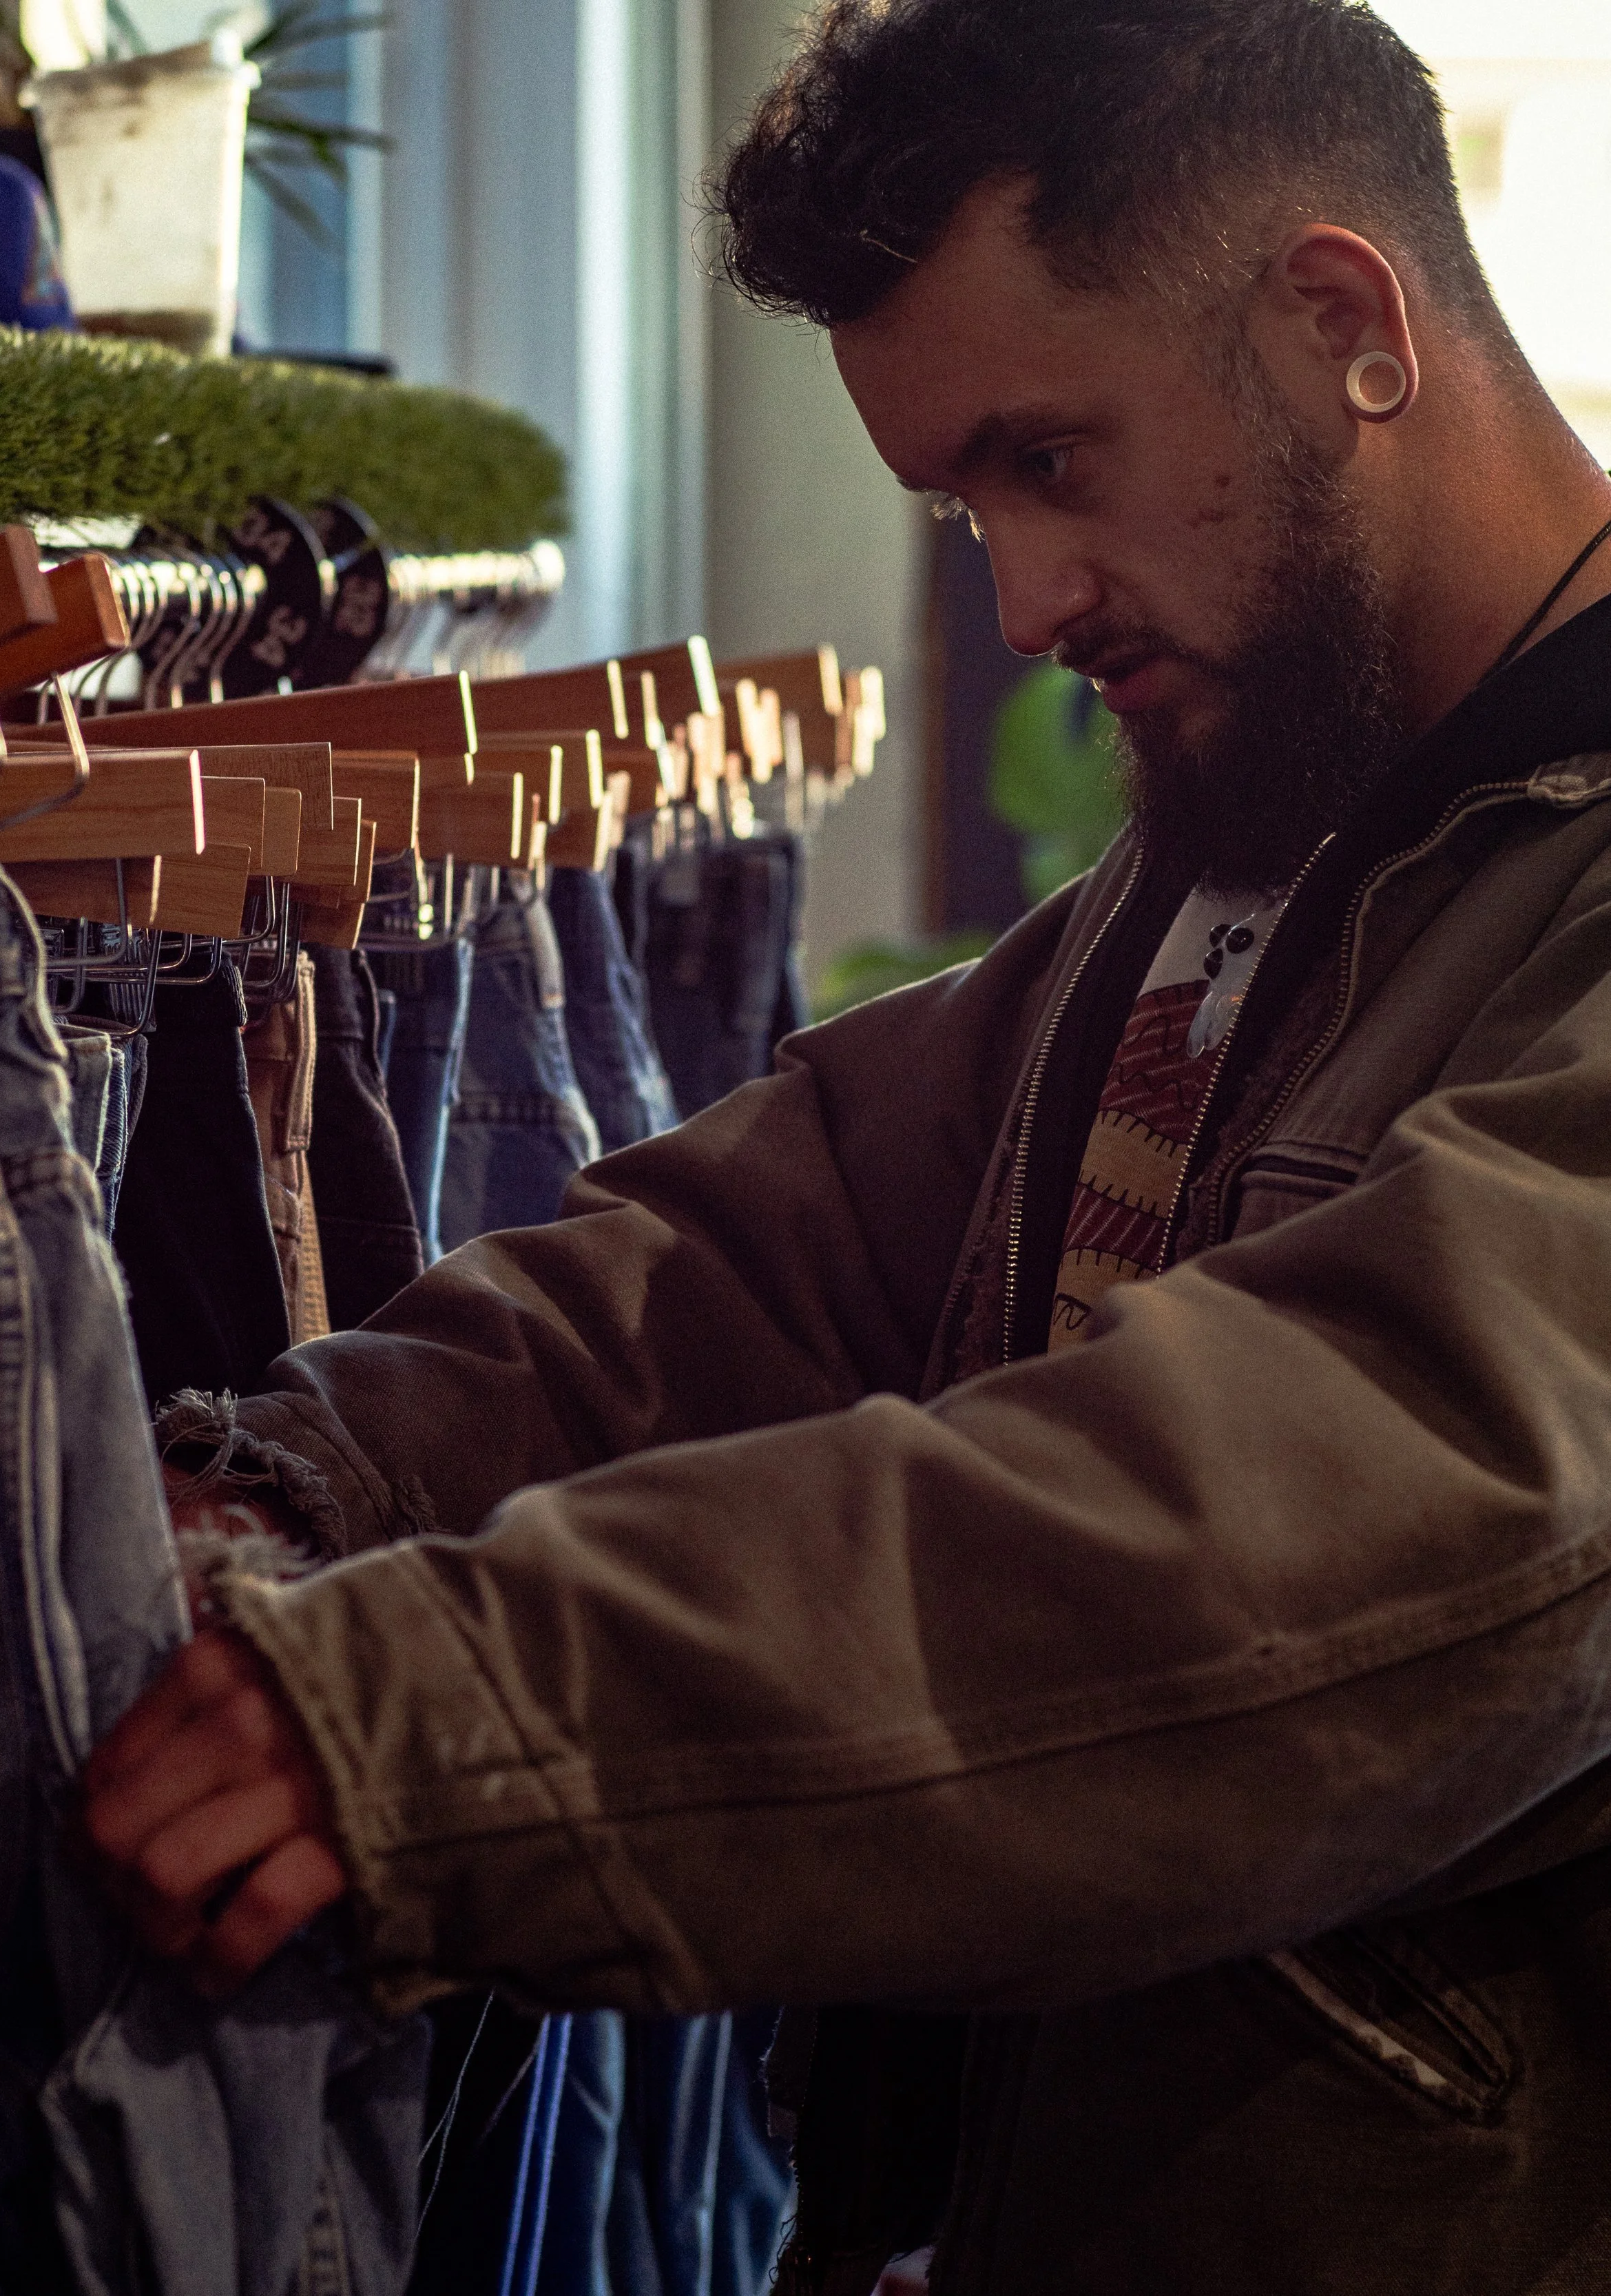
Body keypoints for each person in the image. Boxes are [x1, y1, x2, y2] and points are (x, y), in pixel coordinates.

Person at [86, 3, 1611, 2288]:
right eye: (966, 503)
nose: (1024, 604)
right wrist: (313, 1471)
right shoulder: (1284, 816)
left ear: (1338, 322)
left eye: (1052, 460)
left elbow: (1366, 1491)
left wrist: (439, 1717)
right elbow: (786, 1234)